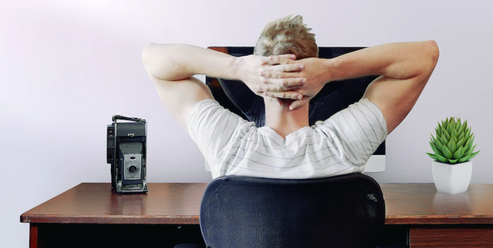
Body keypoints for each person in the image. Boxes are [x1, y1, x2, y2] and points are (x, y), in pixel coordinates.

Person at [142, 15, 439, 179]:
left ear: (258, 81)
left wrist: (237, 66)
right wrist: (331, 69)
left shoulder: (226, 145)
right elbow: (425, 56)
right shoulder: (344, 144)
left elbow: (153, 59)